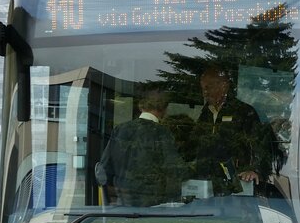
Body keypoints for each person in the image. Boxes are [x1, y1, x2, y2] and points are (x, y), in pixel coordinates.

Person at [191, 65, 276, 195]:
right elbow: (195, 144)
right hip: (207, 183)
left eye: (208, 87)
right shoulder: (205, 113)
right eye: (203, 89)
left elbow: (259, 144)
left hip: (237, 183)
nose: (205, 93)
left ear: (224, 86)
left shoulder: (243, 111)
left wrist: (254, 170)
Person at [97, 87, 187, 206]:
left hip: (123, 203)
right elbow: (175, 169)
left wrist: (119, 190)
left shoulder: (119, 129)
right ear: (164, 109)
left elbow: (104, 170)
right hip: (153, 205)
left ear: (141, 107)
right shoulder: (162, 133)